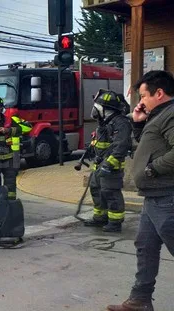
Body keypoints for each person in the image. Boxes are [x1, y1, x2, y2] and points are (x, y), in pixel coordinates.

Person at [107, 70, 174, 311]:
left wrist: (152, 170)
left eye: (143, 95)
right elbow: (148, 147)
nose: (140, 101)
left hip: (168, 196)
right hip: (153, 198)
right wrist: (137, 125)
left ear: (159, 93)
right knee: (145, 247)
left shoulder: (170, 114)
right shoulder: (157, 116)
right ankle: (140, 300)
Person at [83, 89, 132, 232]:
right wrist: (92, 147)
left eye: (98, 107)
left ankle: (115, 222)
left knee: (111, 193)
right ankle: (100, 217)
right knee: (96, 190)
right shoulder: (104, 123)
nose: (95, 110)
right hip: (100, 164)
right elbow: (102, 143)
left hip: (111, 166)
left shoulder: (121, 123)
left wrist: (109, 164)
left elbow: (121, 146)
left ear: (106, 109)